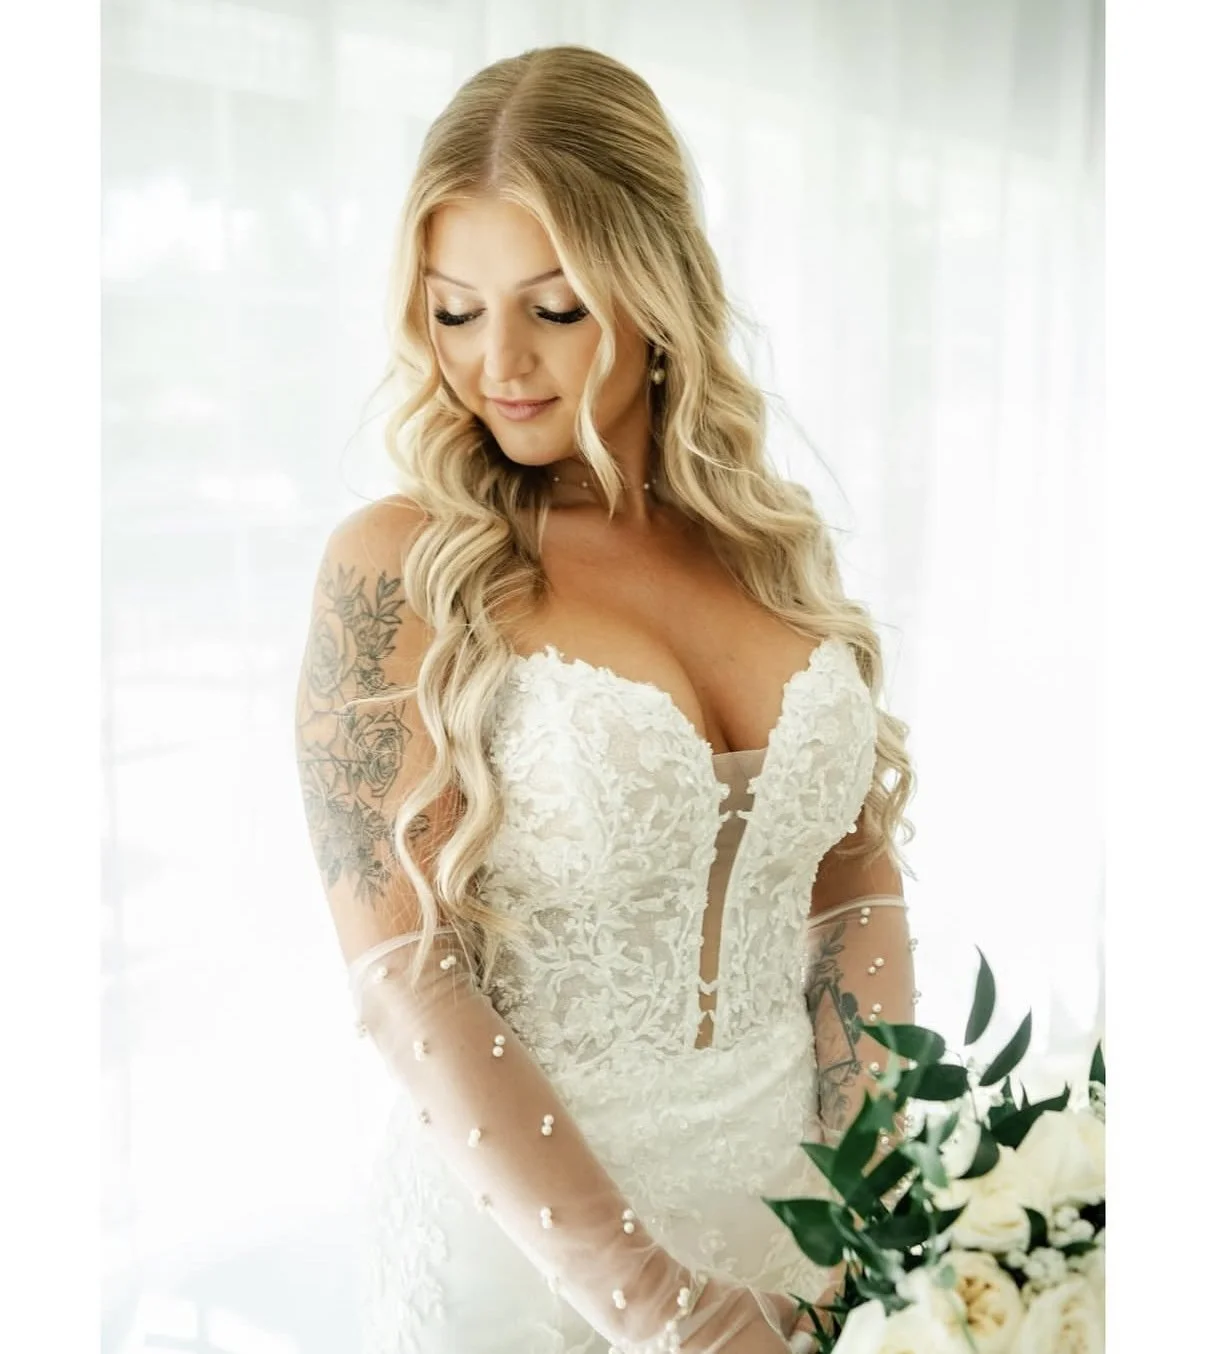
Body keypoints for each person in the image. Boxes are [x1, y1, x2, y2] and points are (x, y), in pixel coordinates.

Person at [293, 43, 918, 1354]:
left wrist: (864, 1211)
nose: (498, 362)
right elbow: (406, 975)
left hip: (805, 1252)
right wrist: (669, 1312)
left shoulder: (769, 547)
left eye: (554, 307)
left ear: (653, 288)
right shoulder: (399, 565)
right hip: (541, 1275)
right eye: (454, 310)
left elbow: (851, 885)